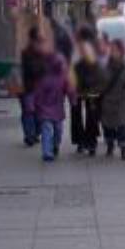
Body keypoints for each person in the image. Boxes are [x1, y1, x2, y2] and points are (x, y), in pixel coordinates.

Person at [30, 33, 73, 162]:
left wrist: (72, 98)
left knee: (58, 130)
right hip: (44, 106)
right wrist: (32, 103)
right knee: (46, 128)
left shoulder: (62, 73)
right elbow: (35, 89)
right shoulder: (41, 70)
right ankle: (47, 152)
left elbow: (68, 86)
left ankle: (55, 145)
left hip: (57, 106)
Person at [70, 24, 105, 156]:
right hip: (92, 86)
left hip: (77, 86)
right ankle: (91, 142)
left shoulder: (76, 47)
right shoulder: (96, 47)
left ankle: (80, 141)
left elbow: (71, 66)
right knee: (92, 114)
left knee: (76, 113)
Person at [99, 38, 125, 160]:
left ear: (121, 51)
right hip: (108, 99)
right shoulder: (105, 66)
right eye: (112, 50)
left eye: (116, 50)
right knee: (108, 124)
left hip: (123, 99)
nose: (114, 52)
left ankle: (124, 149)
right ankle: (110, 144)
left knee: (123, 123)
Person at [19, 24, 44, 146]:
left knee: (36, 113)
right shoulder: (27, 52)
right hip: (29, 87)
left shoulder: (41, 52)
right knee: (29, 111)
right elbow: (31, 69)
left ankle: (33, 134)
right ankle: (30, 135)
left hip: (38, 88)